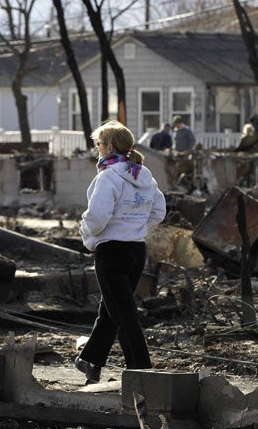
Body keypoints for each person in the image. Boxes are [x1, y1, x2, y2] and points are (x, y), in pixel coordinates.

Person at [76, 119, 167, 384]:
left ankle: (142, 372)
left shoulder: (108, 177)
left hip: (112, 253)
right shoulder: (144, 176)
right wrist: (135, 226)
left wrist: (87, 234)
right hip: (136, 252)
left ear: (109, 146)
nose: (97, 149)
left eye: (99, 144)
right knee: (112, 310)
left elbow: (97, 217)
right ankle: (90, 360)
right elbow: (159, 211)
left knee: (125, 315)